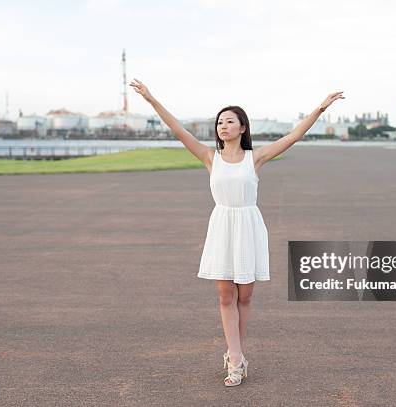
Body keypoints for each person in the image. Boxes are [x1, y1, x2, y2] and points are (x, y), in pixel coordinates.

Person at [130, 78, 344, 386]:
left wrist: (322, 107)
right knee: (225, 295)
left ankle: (236, 354)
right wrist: (151, 99)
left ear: (242, 127)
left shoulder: (255, 158)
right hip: (222, 226)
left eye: (230, 121)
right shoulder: (209, 157)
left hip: (248, 226)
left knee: (245, 297)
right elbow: (178, 130)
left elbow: (294, 135)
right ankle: (234, 359)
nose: (223, 125)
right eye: (219, 122)